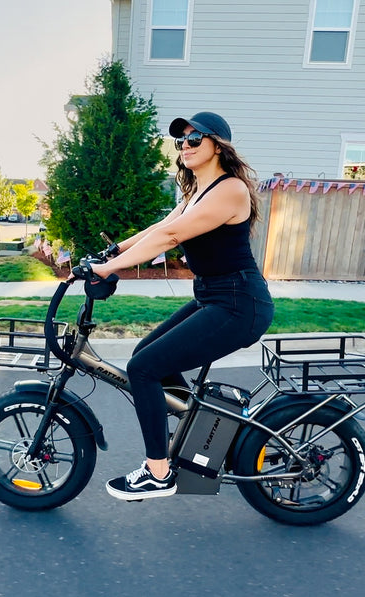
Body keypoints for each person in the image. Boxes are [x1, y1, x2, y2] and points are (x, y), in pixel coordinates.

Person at [90, 111, 275, 500]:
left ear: (218, 146)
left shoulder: (231, 189)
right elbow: (161, 227)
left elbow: (172, 236)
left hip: (239, 303)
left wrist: (108, 269)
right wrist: (112, 251)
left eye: (195, 139)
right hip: (214, 296)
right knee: (145, 354)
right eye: (181, 141)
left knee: (143, 369)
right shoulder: (197, 192)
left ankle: (158, 473)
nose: (185, 146)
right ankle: (200, 431)